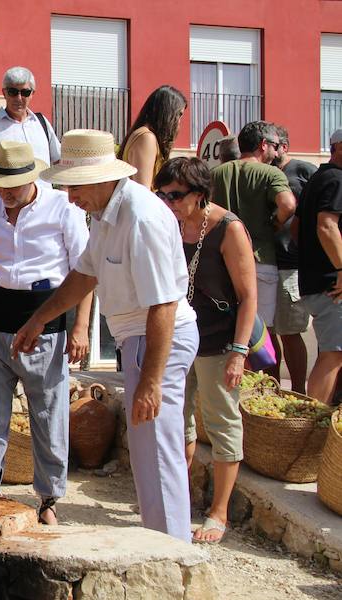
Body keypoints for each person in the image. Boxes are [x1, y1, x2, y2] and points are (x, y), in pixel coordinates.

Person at [13, 129, 199, 542]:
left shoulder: (142, 217)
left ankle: (172, 553)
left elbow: (164, 305)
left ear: (100, 178)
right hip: (141, 340)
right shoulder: (105, 215)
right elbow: (84, 275)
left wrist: (151, 381)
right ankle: (161, 542)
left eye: (73, 186)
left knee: (158, 451)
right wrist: (38, 320)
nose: (69, 197)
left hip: (157, 340)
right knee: (149, 453)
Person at [0, 141, 91, 524]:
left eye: (14, 184)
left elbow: (84, 271)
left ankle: (49, 500)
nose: (6, 191)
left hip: (46, 321)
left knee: (48, 415)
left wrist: (81, 327)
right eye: (0, 183)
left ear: (31, 177)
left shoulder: (62, 208)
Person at [154, 157, 256, 544]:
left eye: (176, 195)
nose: (169, 202)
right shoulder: (172, 222)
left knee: (222, 422)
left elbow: (249, 297)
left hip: (219, 340)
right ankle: (182, 497)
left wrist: (239, 351)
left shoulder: (229, 229)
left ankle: (219, 512)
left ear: (200, 194)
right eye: (163, 195)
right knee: (177, 420)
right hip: (180, 335)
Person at [211, 121, 296, 380]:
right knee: (263, 335)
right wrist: (275, 224)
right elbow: (288, 204)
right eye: (273, 145)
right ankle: (266, 391)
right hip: (260, 259)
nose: (276, 151)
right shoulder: (271, 173)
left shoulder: (217, 173)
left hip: (221, 262)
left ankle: (233, 390)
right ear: (263, 145)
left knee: (228, 332)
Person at [0, 66, 61, 216]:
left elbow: (60, 163)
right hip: (3, 215)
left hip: (44, 212)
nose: (19, 98)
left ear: (32, 94)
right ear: (4, 93)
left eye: (25, 92)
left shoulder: (42, 124)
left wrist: (63, 201)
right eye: (13, 92)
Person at [293, 129, 342, 404]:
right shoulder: (336, 179)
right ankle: (311, 426)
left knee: (332, 351)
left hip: (316, 280)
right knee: (334, 354)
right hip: (332, 284)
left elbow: (297, 229)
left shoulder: (317, 179)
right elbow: (326, 226)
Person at [271, 125, 316, 393]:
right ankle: (273, 389)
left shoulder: (304, 171)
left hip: (291, 265)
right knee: (266, 334)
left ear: (284, 147)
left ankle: (299, 391)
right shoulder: (264, 173)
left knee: (290, 332)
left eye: (274, 145)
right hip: (267, 263)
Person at [116, 85, 187, 190]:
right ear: (168, 113)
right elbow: (143, 190)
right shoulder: (146, 138)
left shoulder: (144, 135)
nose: (179, 121)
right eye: (179, 114)